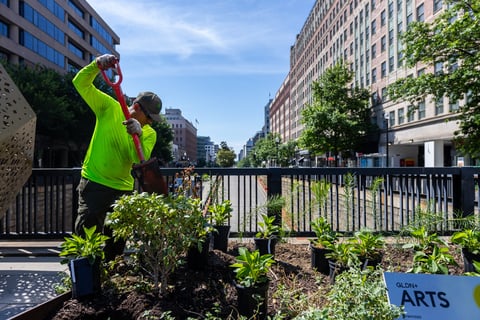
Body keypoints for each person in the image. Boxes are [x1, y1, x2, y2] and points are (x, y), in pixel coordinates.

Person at [72, 53, 162, 261]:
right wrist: (96, 65)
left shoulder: (149, 133)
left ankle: (110, 278)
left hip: (122, 190)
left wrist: (137, 134)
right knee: (85, 238)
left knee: (116, 240)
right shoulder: (109, 107)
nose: (151, 122)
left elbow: (138, 159)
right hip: (94, 183)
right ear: (137, 107)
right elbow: (80, 83)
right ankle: (85, 285)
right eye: (149, 117)